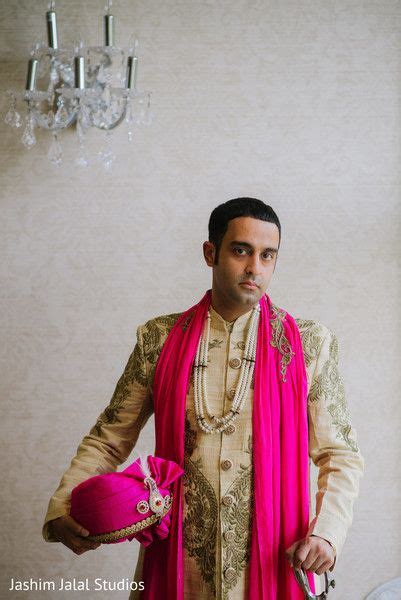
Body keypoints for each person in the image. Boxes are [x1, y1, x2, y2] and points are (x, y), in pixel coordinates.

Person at [42, 197, 364, 599]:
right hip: (179, 567)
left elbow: (340, 454)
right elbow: (109, 437)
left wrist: (327, 535)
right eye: (241, 250)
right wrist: (63, 505)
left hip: (274, 561)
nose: (255, 268)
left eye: (268, 256)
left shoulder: (309, 345)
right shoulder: (158, 339)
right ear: (211, 253)